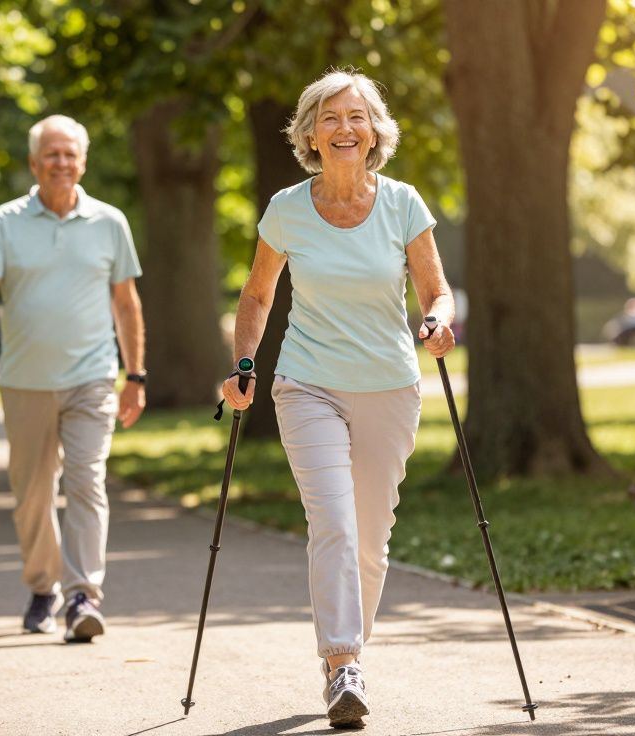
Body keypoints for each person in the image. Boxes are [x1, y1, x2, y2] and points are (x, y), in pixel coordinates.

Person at [221, 70, 456, 729]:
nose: (345, 127)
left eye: (357, 116)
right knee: (333, 520)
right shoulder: (287, 209)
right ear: (310, 135)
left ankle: (350, 654)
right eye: (330, 117)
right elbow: (258, 295)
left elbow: (437, 289)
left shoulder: (404, 204)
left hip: (389, 383)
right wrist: (244, 365)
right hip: (307, 383)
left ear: (375, 130)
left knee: (371, 536)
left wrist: (439, 321)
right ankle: (342, 663)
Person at [0, 114, 147, 643]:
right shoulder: (4, 221)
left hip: (93, 377)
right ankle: (43, 586)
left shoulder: (110, 222)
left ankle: (83, 595)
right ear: (34, 162)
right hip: (25, 380)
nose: (61, 163)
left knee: (86, 481)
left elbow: (127, 303)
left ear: (83, 161)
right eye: (52, 154)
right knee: (32, 493)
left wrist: (135, 374)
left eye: (70, 153)